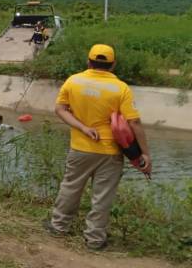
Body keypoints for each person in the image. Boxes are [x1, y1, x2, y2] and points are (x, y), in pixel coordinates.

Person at [44, 44, 151, 251]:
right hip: (110, 153)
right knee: (102, 195)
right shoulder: (121, 88)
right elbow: (134, 123)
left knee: (70, 187)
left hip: (80, 148)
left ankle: (59, 226)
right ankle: (94, 239)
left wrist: (83, 127)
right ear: (113, 65)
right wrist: (145, 153)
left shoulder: (73, 81)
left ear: (88, 61)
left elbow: (60, 109)